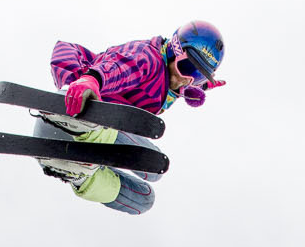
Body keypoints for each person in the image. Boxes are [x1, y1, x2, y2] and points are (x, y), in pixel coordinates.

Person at [34, 20, 227, 215]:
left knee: (145, 198)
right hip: (77, 107)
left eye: (199, 76)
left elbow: (186, 78)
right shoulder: (148, 57)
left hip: (56, 147)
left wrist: (201, 84)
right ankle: (85, 127)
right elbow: (121, 67)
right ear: (173, 49)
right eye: (187, 67)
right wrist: (92, 79)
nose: (188, 79)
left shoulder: (175, 79)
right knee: (152, 162)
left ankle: (79, 175)